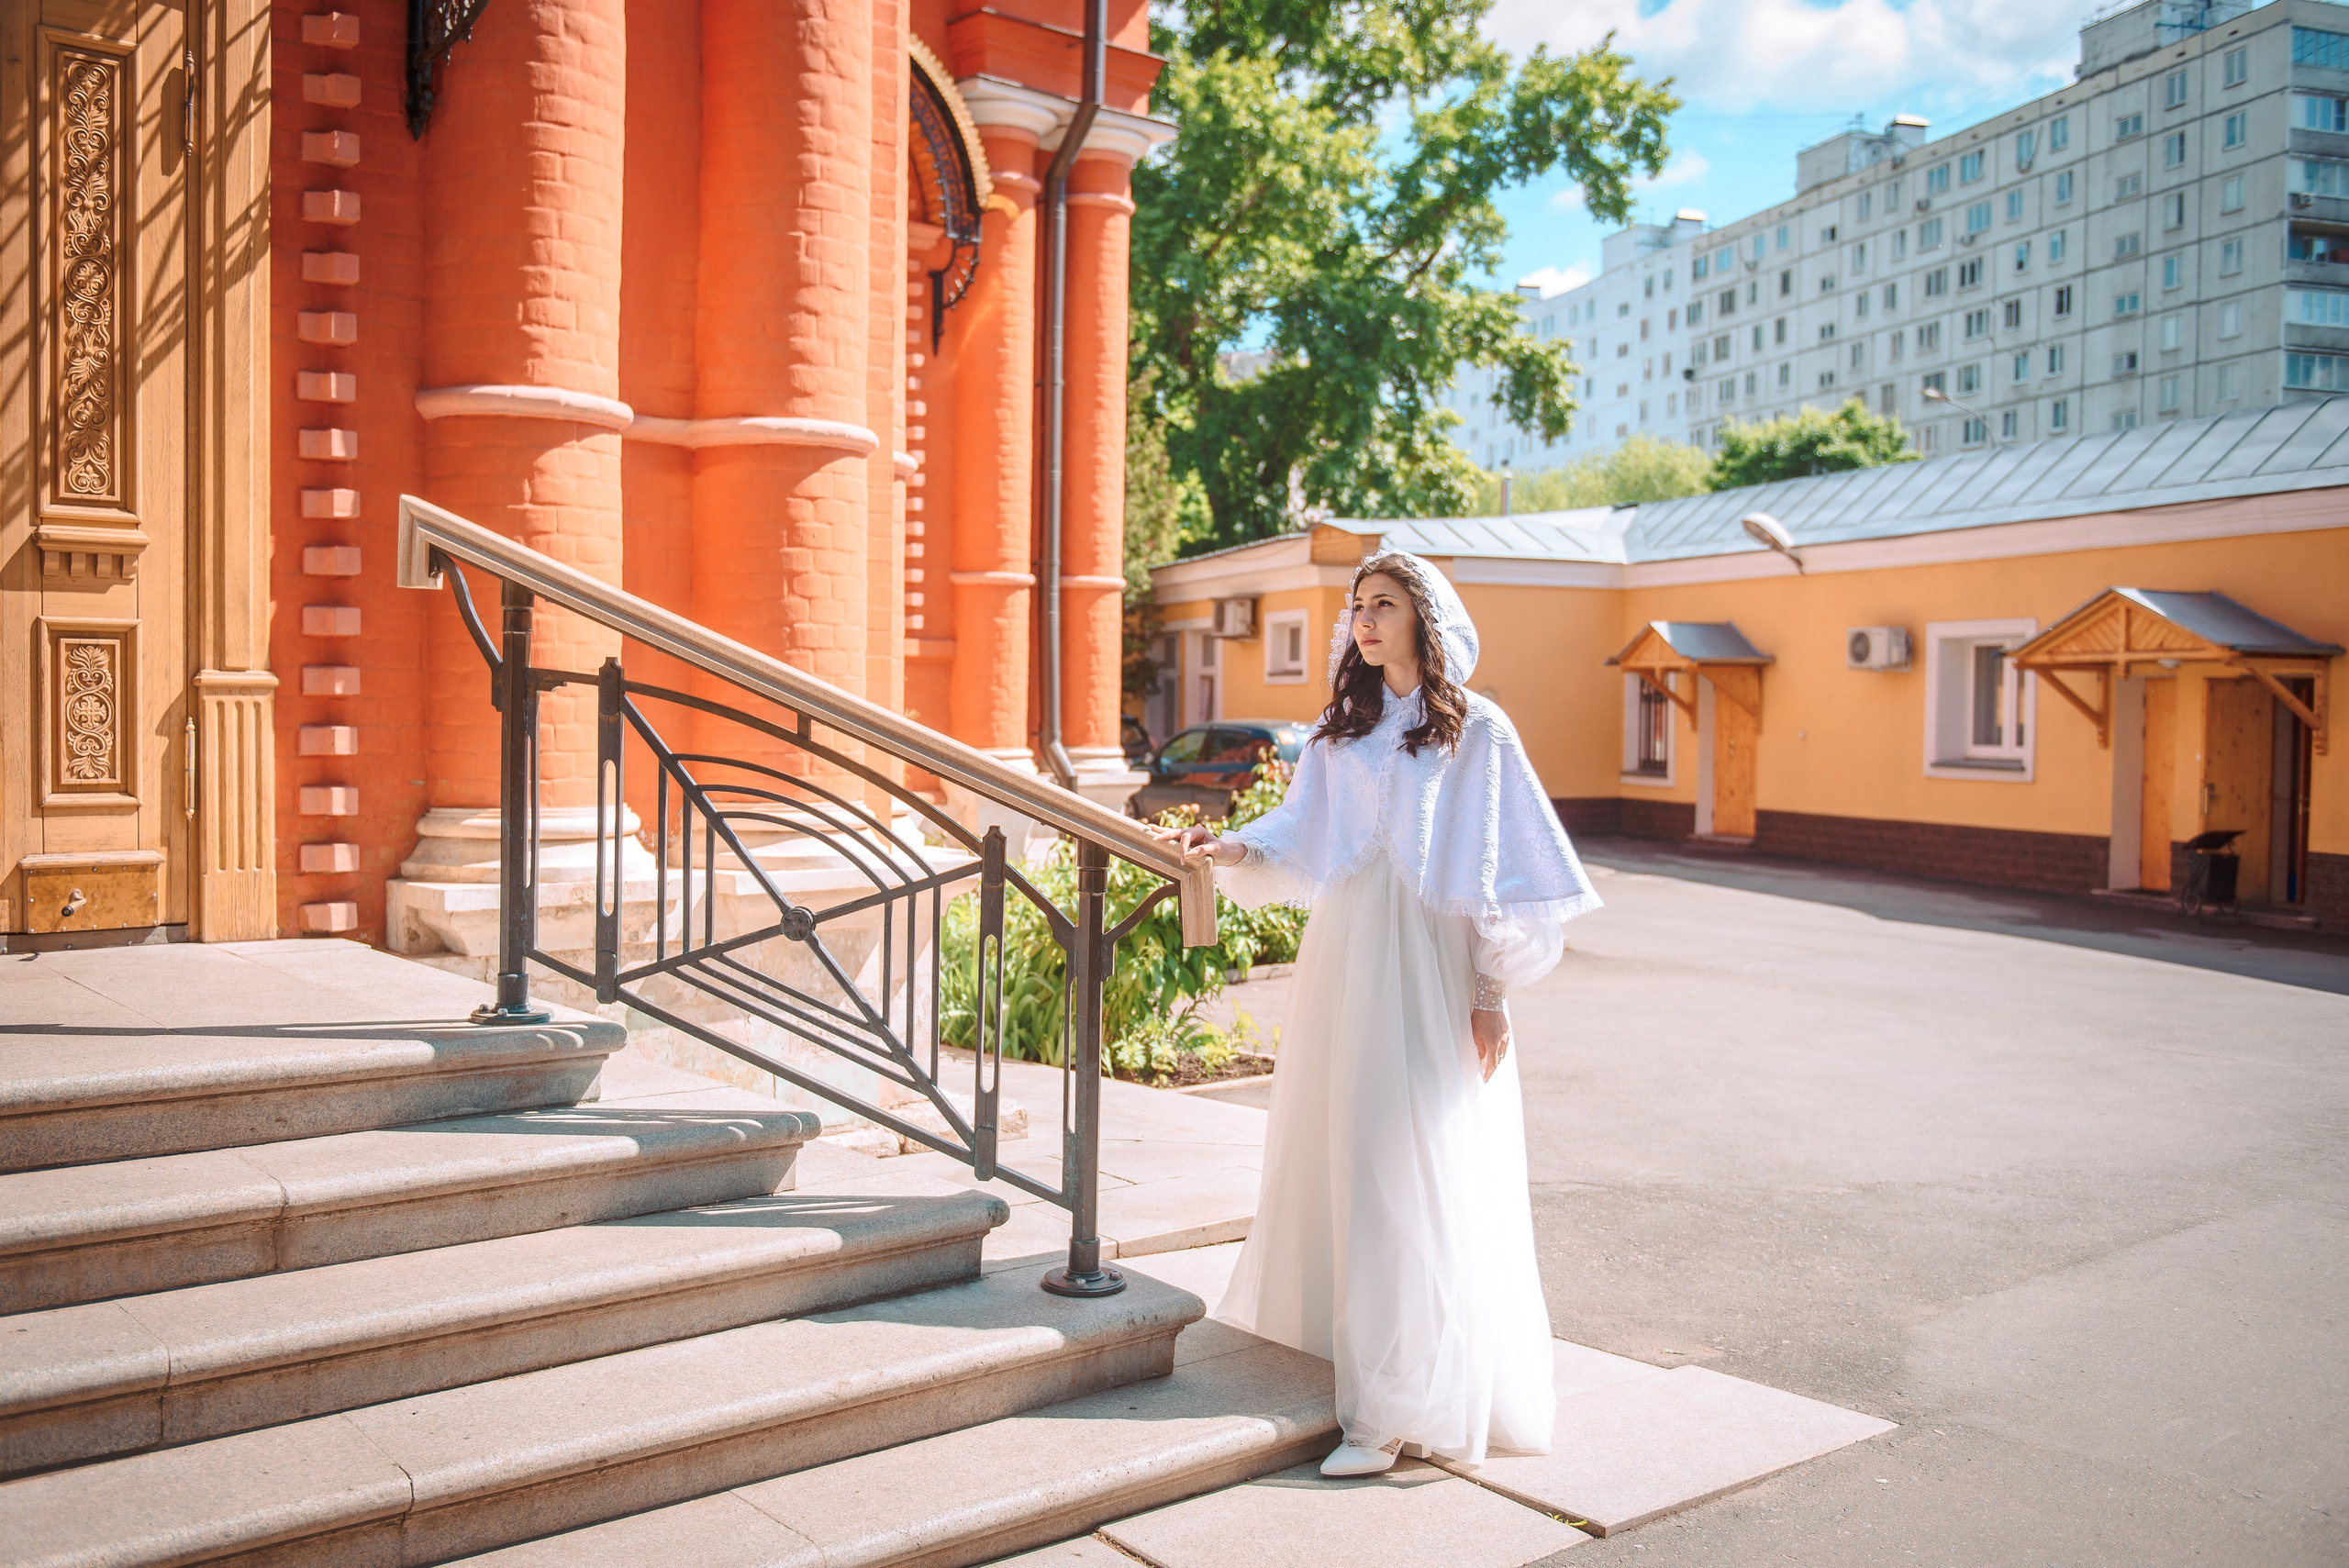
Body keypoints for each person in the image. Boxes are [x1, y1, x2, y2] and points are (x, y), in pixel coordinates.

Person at [1158, 551, 1601, 1476]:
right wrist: (1228, 844)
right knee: (1349, 1154)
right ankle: (1352, 1360)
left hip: (1431, 963)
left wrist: (1490, 992)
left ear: (1425, 618)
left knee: (1414, 1162)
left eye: (1384, 604)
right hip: (1346, 957)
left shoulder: (1478, 731)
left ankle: (1393, 1411)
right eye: (1357, 605)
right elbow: (1298, 836)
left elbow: (1507, 872)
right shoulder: (1338, 733)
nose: (1363, 619)